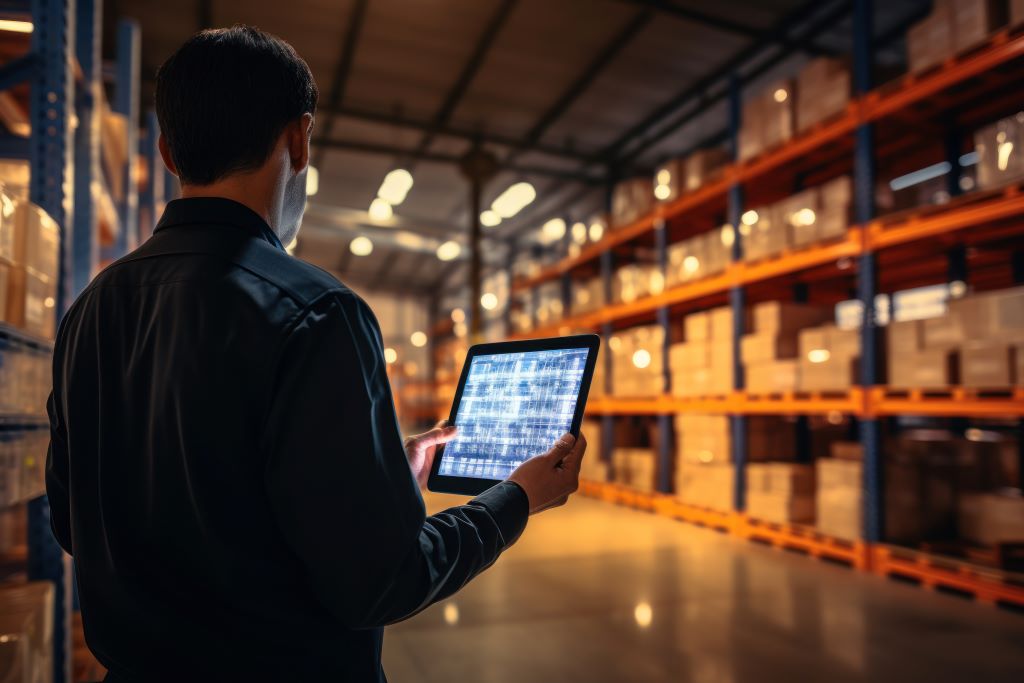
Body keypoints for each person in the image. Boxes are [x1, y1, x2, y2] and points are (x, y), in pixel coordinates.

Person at [45, 26, 586, 682]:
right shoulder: (315, 310)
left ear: (165, 150)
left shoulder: (91, 310)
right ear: (299, 138)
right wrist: (516, 499)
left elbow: (77, 522)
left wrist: (376, 470)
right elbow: (383, 580)